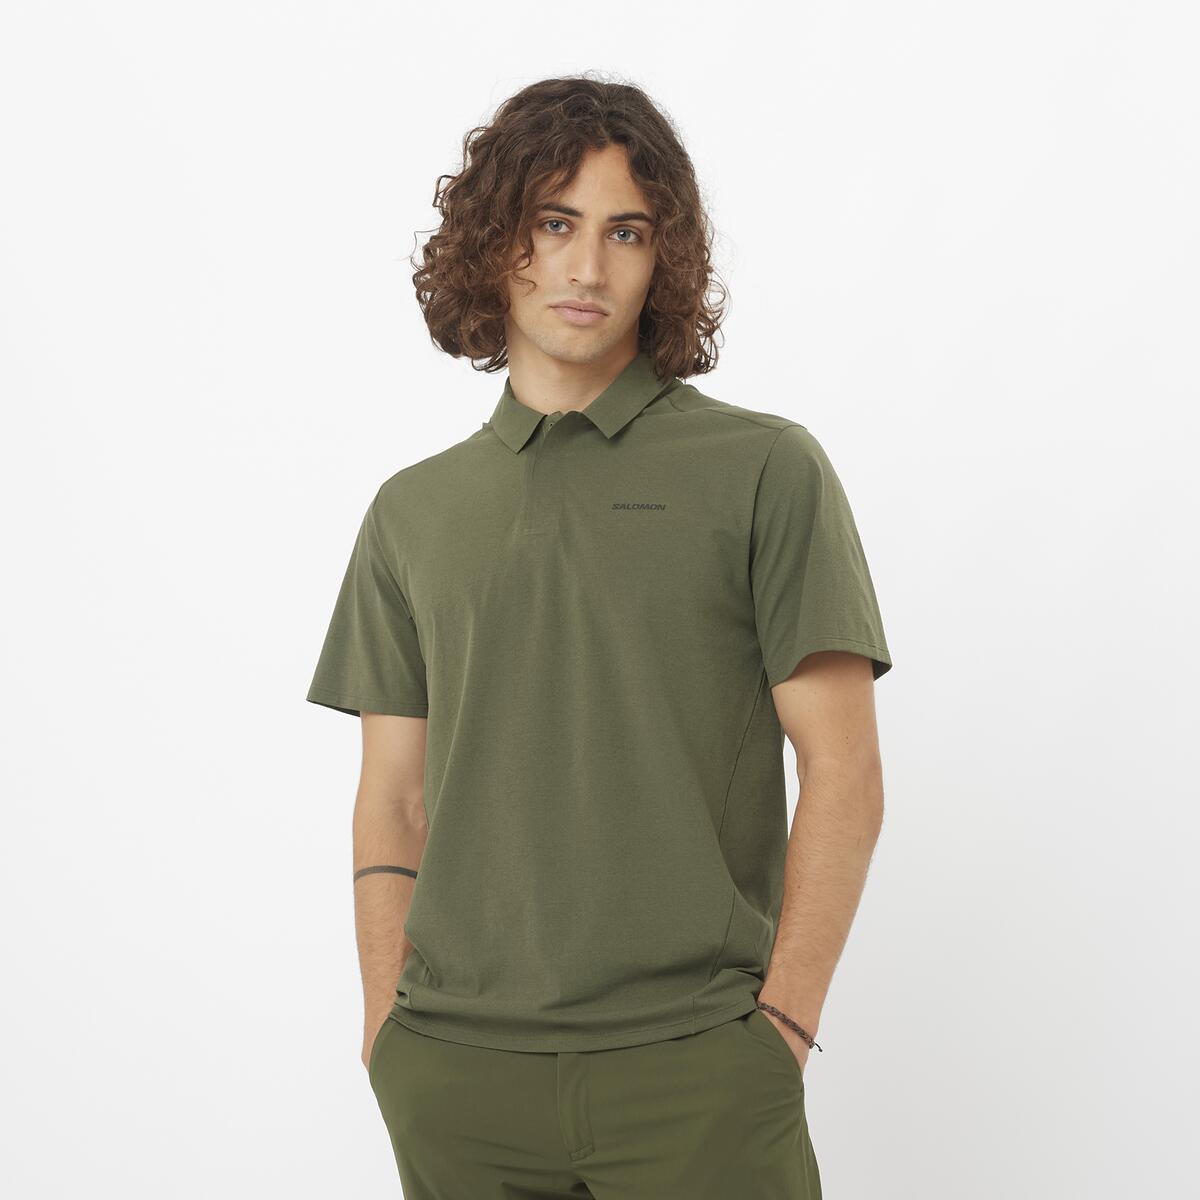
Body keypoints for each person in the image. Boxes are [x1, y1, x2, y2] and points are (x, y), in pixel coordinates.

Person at [306, 73, 892, 1199]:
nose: (587, 268)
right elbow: (394, 796)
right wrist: (389, 1031)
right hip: (458, 1080)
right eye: (553, 223)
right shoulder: (411, 513)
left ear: (663, 257)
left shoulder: (765, 470)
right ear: (495, 243)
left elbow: (844, 769)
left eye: (626, 232)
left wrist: (780, 1030)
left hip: (696, 1071)